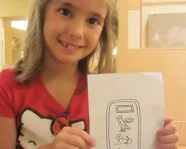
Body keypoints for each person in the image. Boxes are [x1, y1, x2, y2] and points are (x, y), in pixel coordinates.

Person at [0, 0, 179, 149]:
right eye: (65, 11)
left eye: (93, 21)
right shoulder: (7, 85)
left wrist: (152, 143)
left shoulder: (107, 93)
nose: (77, 32)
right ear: (41, 13)